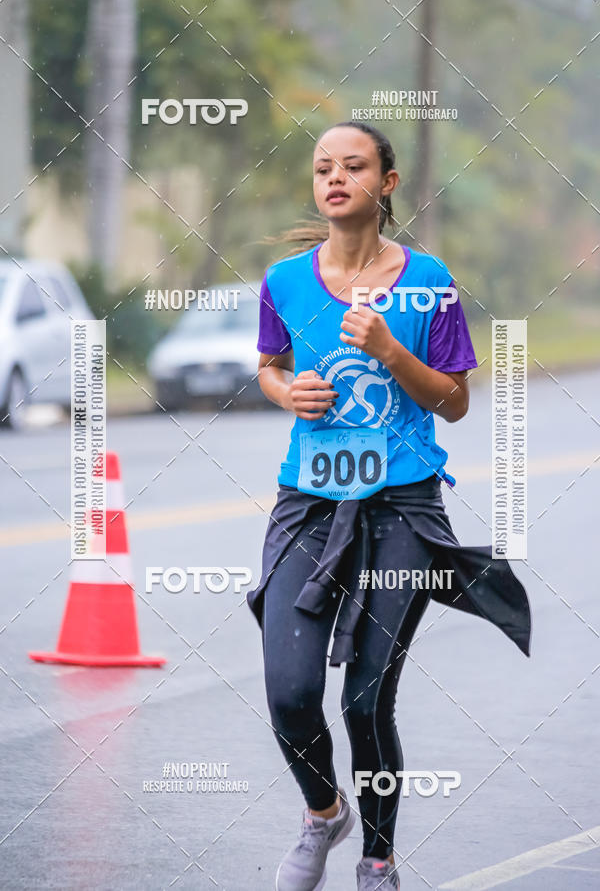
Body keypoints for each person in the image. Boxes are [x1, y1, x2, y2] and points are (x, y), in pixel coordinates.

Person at [246, 121, 532, 891]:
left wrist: (392, 352)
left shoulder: (428, 280)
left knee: (368, 701)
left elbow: (458, 403)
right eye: (322, 168)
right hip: (308, 503)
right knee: (290, 693)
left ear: (388, 183)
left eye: (354, 165)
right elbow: (270, 368)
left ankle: (377, 859)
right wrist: (286, 392)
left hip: (401, 507)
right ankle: (321, 813)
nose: (334, 177)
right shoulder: (285, 283)